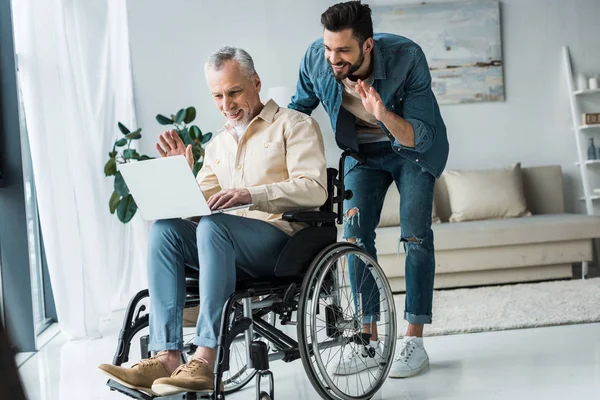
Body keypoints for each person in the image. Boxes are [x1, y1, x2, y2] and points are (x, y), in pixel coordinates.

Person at [98, 46, 328, 396]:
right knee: (165, 230)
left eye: (234, 92)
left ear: (256, 82)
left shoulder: (294, 125)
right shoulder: (218, 144)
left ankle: (205, 358)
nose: (226, 104)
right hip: (220, 243)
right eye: (218, 95)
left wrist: (249, 194)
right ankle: (167, 356)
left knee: (213, 227)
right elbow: (197, 205)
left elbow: (314, 188)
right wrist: (181, 176)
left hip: (281, 243)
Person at [288, 1, 449, 378]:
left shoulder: (407, 57)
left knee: (415, 237)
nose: (333, 58)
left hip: (411, 150)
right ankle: (367, 340)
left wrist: (382, 114)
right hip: (361, 153)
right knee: (354, 239)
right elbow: (297, 112)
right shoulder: (316, 59)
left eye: (343, 50)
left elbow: (419, 134)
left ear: (368, 45)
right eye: (329, 48)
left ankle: (414, 340)